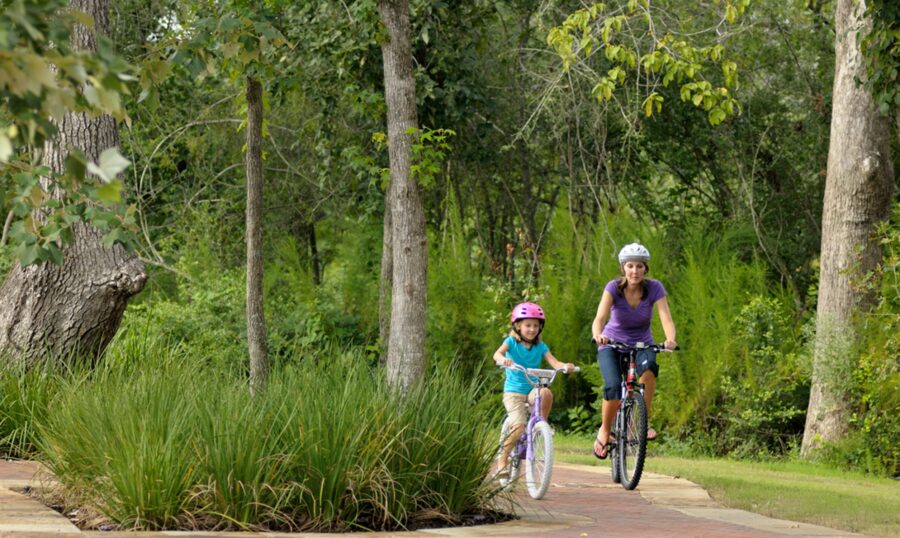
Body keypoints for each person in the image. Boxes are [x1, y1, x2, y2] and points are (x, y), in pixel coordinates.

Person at [590, 243, 677, 459]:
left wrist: (670, 339)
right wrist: (598, 334)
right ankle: (605, 430)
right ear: (623, 268)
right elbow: (599, 318)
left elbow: (665, 317)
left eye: (639, 266)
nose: (634, 271)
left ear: (645, 269)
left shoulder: (655, 288)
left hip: (642, 344)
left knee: (650, 370)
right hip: (612, 343)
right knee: (612, 387)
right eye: (630, 266)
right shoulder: (613, 287)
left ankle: (641, 422)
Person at [492, 302, 575, 477]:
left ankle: (541, 427)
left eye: (536, 326)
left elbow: (554, 362)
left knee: (546, 392)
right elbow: (497, 354)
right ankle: (502, 461)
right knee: (519, 427)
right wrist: (503, 360)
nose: (532, 329)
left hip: (532, 389)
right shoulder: (511, 342)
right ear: (518, 326)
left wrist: (564, 366)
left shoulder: (540, 346)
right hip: (513, 392)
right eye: (528, 325)